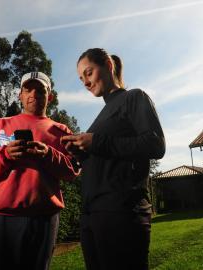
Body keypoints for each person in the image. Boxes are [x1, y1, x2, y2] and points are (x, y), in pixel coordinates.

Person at [62, 48, 166, 270]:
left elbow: (155, 144)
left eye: (88, 73)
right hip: (92, 215)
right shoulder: (100, 116)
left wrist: (96, 142)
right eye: (81, 79)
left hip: (121, 213)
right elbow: (107, 156)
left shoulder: (134, 97)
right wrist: (81, 153)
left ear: (108, 65)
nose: (86, 83)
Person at [0, 71, 80, 270]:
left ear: (50, 97)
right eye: (27, 89)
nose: (33, 94)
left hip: (44, 219)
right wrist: (4, 155)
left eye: (40, 90)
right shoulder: (0, 125)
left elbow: (73, 170)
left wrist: (48, 153)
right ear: (20, 95)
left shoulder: (61, 131)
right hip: (1, 216)